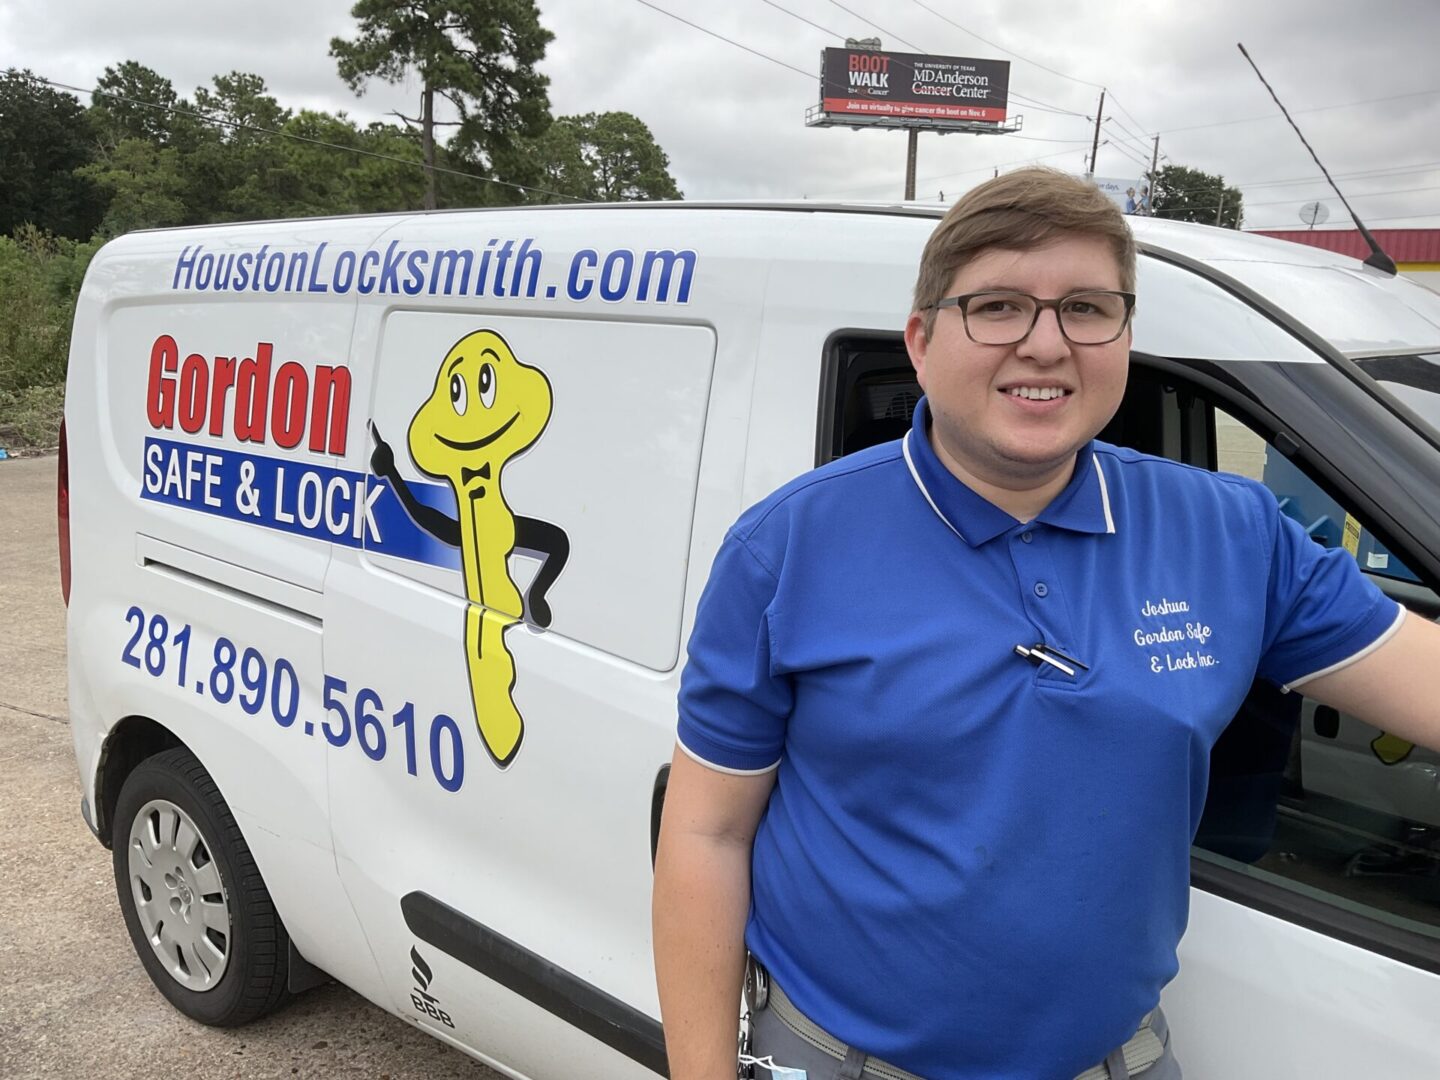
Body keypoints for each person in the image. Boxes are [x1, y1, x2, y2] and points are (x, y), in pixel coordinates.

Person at [651, 167, 1440, 1080]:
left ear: (1124, 335)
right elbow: (707, 833)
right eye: (996, 307)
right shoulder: (786, 550)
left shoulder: (1232, 534)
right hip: (844, 1062)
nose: (1045, 343)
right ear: (920, 339)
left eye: (1085, 308)